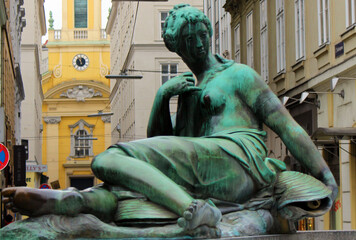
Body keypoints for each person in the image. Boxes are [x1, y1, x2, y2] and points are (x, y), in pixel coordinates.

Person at [2, 4, 337, 232]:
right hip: (205, 165)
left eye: (202, 35)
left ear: (209, 32)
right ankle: (73, 201)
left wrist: (325, 174)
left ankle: (193, 208)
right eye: (188, 41)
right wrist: (163, 97)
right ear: (178, 49)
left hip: (238, 161)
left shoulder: (239, 75)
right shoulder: (187, 90)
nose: (199, 45)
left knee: (108, 158)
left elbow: (287, 125)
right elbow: (158, 140)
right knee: (117, 189)